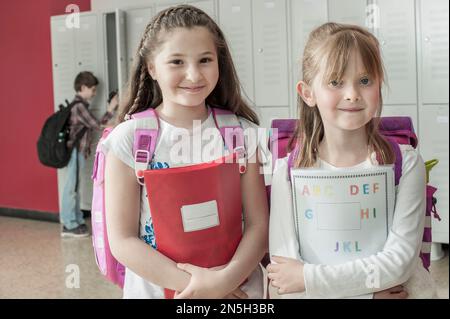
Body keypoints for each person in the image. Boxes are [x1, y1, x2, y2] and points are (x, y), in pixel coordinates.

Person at [102, 5, 269, 299]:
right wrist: (201, 288)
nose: (193, 75)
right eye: (177, 61)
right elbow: (123, 240)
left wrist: (223, 283)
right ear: (152, 67)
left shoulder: (242, 133)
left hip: (238, 290)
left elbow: (258, 225)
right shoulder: (128, 139)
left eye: (205, 60)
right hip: (157, 290)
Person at [267, 22, 436, 299]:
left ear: (379, 85)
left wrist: (309, 278)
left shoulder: (405, 164)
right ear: (308, 93)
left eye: (365, 80)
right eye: (336, 82)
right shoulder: (287, 172)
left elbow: (400, 262)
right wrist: (369, 295)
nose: (352, 94)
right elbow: (284, 278)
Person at [60, 71, 119, 238]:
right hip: (75, 152)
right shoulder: (79, 107)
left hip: (77, 152)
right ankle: (69, 223)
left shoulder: (80, 106)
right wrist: (110, 109)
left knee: (75, 187)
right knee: (71, 188)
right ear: (83, 87)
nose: (94, 94)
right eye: (93, 90)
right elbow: (98, 125)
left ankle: (76, 220)